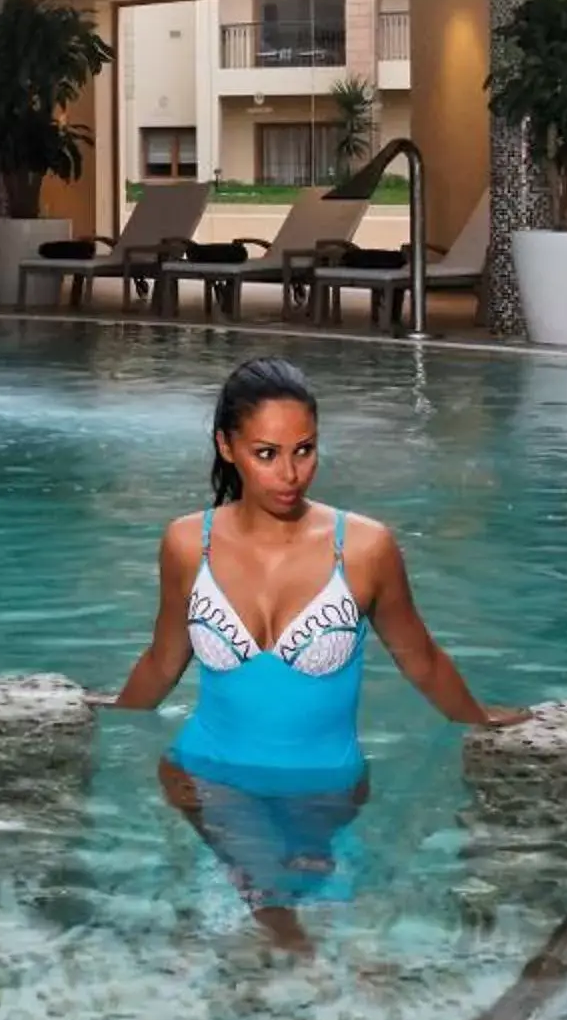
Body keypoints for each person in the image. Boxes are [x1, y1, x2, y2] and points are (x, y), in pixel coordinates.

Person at [98, 356, 525, 948]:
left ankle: (275, 919)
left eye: (305, 449)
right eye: (266, 453)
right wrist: (112, 715)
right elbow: (164, 660)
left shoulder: (366, 547)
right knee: (280, 932)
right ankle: (277, 922)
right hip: (207, 777)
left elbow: (419, 657)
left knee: (303, 928)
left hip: (325, 788)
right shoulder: (185, 543)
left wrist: (477, 717)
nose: (291, 473)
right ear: (227, 447)